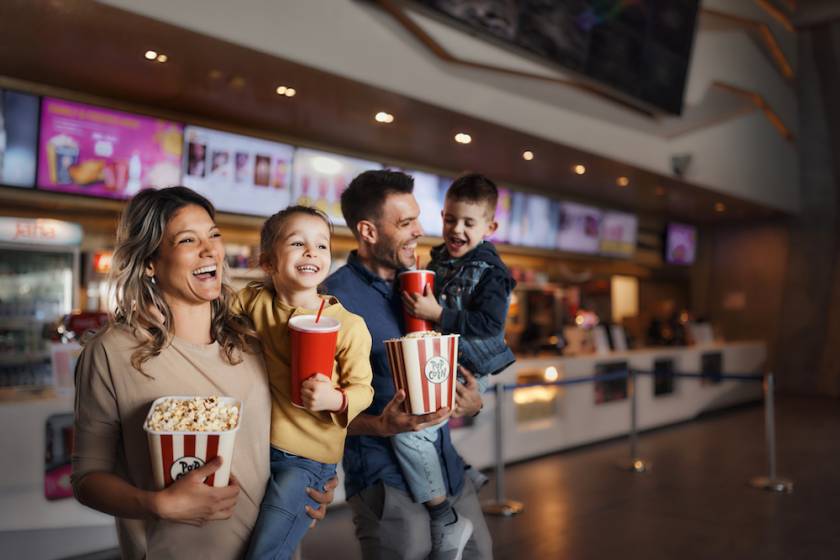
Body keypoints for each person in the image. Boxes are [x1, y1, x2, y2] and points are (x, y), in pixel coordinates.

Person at [71, 187, 335, 559]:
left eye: (213, 235)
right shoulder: (111, 353)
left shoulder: (253, 336)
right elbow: (87, 478)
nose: (210, 250)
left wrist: (311, 481)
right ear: (150, 261)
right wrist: (157, 505)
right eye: (187, 240)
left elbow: (289, 433)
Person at [324, 170, 493, 560]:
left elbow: (453, 357)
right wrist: (380, 424)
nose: (420, 230)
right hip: (382, 474)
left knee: (480, 553)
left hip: (445, 465)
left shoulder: (428, 285)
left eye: (417, 217)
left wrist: (471, 399)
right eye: (405, 223)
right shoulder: (333, 299)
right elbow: (314, 406)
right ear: (368, 231)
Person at [237, 206, 374, 560]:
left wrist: (335, 398)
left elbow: (364, 389)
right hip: (254, 449)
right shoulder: (254, 301)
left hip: (307, 460)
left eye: (322, 246)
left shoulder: (349, 324)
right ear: (268, 262)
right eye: (298, 243)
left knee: (266, 553)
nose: (312, 252)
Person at [397, 173, 516, 553]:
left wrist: (439, 313)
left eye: (468, 222)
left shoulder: (493, 272)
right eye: (450, 219)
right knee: (424, 431)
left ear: (490, 227)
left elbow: (489, 324)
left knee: (411, 432)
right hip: (443, 361)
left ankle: (444, 517)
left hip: (470, 369)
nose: (456, 229)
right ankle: (461, 472)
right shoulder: (439, 258)